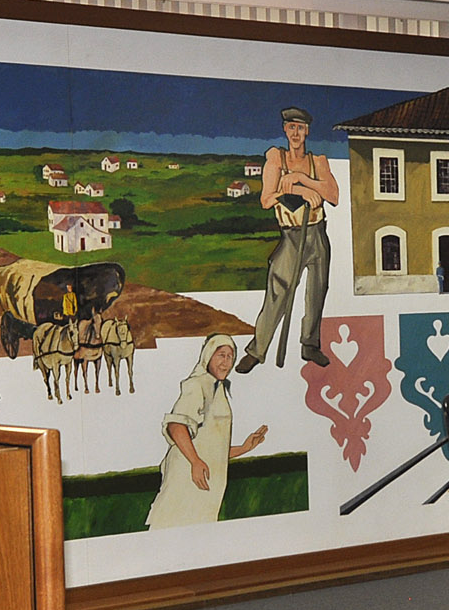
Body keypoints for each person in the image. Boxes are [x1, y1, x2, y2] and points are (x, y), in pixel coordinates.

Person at [235, 106, 339, 373]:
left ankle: (310, 345)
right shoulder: (276, 159)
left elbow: (333, 195)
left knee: (317, 290)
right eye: (291, 127)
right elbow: (266, 199)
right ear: (284, 129)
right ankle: (257, 350)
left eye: (300, 128)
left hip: (316, 232)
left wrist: (303, 180)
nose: (295, 133)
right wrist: (299, 193)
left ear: (307, 131)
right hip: (291, 234)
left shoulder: (318, 162)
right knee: (278, 290)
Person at [144, 333, 267, 529]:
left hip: (207, 480)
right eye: (221, 355)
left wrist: (244, 448)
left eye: (230, 357)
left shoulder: (218, 389)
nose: (226, 362)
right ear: (208, 355)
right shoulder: (197, 384)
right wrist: (195, 461)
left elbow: (211, 449)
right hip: (188, 475)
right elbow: (176, 426)